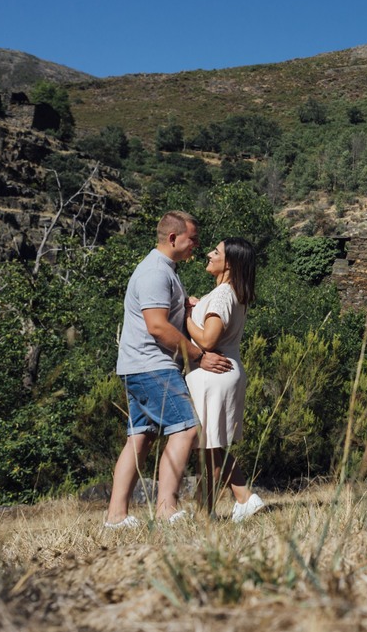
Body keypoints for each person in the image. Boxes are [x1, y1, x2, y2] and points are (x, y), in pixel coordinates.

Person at [104, 211, 233, 528]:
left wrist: (187, 308)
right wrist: (198, 356)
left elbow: (165, 318)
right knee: (187, 429)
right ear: (173, 238)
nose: (197, 246)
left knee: (141, 438)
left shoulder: (164, 271)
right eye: (193, 239)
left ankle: (116, 517)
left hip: (139, 365)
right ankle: (165, 509)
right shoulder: (155, 273)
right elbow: (157, 326)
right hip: (152, 365)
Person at [185, 237, 266, 522]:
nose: (209, 254)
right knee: (214, 445)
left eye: (215, 251)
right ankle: (244, 498)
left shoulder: (221, 295)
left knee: (208, 448)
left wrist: (185, 317)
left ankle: (203, 512)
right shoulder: (232, 293)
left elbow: (208, 339)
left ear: (229, 262)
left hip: (214, 373)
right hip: (224, 371)